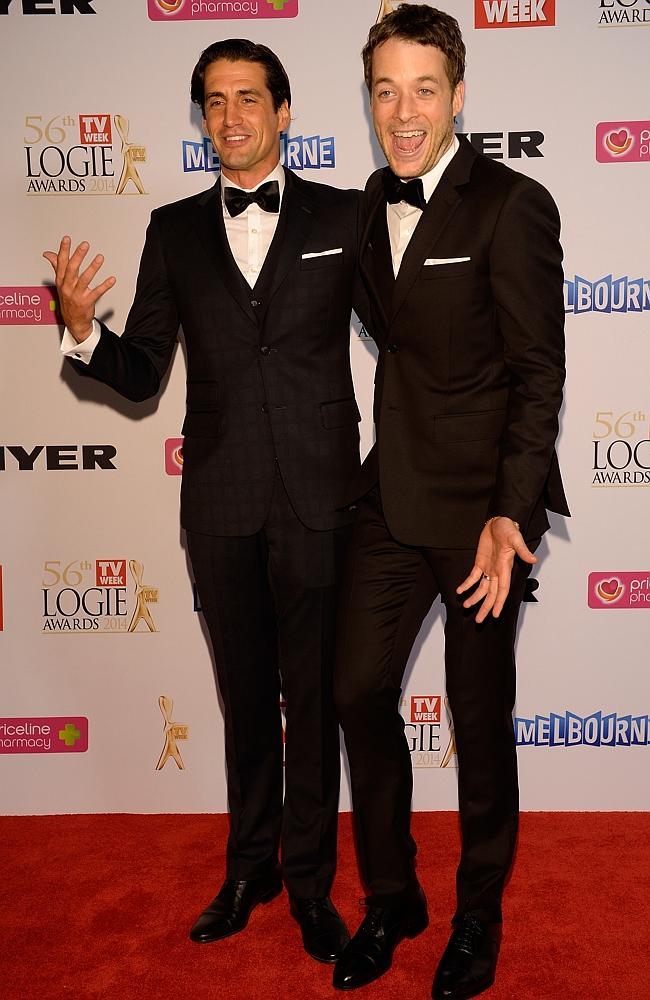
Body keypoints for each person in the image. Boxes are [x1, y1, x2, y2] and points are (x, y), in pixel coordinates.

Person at [44, 38, 366, 966]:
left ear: (284, 110)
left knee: (311, 701)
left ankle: (308, 884)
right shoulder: (173, 229)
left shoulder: (344, 216)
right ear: (202, 119)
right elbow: (143, 373)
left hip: (318, 498)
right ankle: (249, 867)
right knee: (241, 700)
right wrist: (81, 332)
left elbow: (409, 341)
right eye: (214, 102)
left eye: (249, 98)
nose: (231, 117)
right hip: (219, 504)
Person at [332, 6, 569, 998]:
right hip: (388, 499)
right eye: (384, 88)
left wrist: (509, 513)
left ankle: (476, 914)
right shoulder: (356, 211)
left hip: (482, 518)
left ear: (458, 94)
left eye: (422, 87)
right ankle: (395, 895)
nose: (402, 109)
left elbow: (535, 371)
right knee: (351, 691)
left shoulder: (510, 203)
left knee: (478, 719)